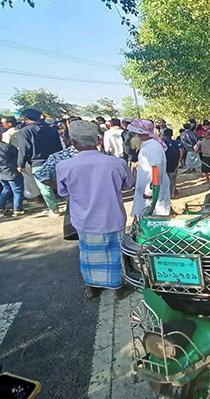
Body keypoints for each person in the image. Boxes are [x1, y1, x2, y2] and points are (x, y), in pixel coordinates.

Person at [56, 121, 135, 299]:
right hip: (112, 216)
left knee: (88, 253)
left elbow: (63, 192)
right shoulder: (117, 163)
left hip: (84, 219)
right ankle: (117, 288)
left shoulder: (64, 166)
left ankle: (91, 287)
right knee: (115, 253)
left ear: (73, 142)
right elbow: (128, 185)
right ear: (98, 140)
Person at [17, 108, 64, 216]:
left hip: (38, 163)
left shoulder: (25, 131)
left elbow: (24, 149)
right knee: (60, 184)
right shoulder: (52, 130)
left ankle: (54, 209)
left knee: (45, 187)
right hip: (54, 161)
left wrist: (21, 164)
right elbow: (59, 147)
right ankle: (70, 204)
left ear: (25, 119)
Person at [129, 119, 171, 217]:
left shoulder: (153, 146)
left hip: (153, 188)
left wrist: (151, 189)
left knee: (154, 216)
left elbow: (157, 169)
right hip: (146, 186)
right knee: (143, 215)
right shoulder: (145, 144)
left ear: (140, 134)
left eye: (134, 133)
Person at [2, 116, 41, 202]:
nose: (2, 125)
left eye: (3, 123)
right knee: (32, 176)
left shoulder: (7, 134)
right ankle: (39, 193)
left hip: (17, 157)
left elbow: (5, 147)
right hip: (29, 156)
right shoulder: (22, 131)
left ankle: (32, 196)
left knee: (27, 178)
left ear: (9, 124)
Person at [161, 128, 183, 199]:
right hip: (174, 163)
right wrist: (179, 160)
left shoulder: (161, 142)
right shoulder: (176, 142)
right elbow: (181, 151)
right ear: (172, 134)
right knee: (172, 178)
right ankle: (172, 193)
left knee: (165, 178)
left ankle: (166, 193)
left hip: (164, 163)